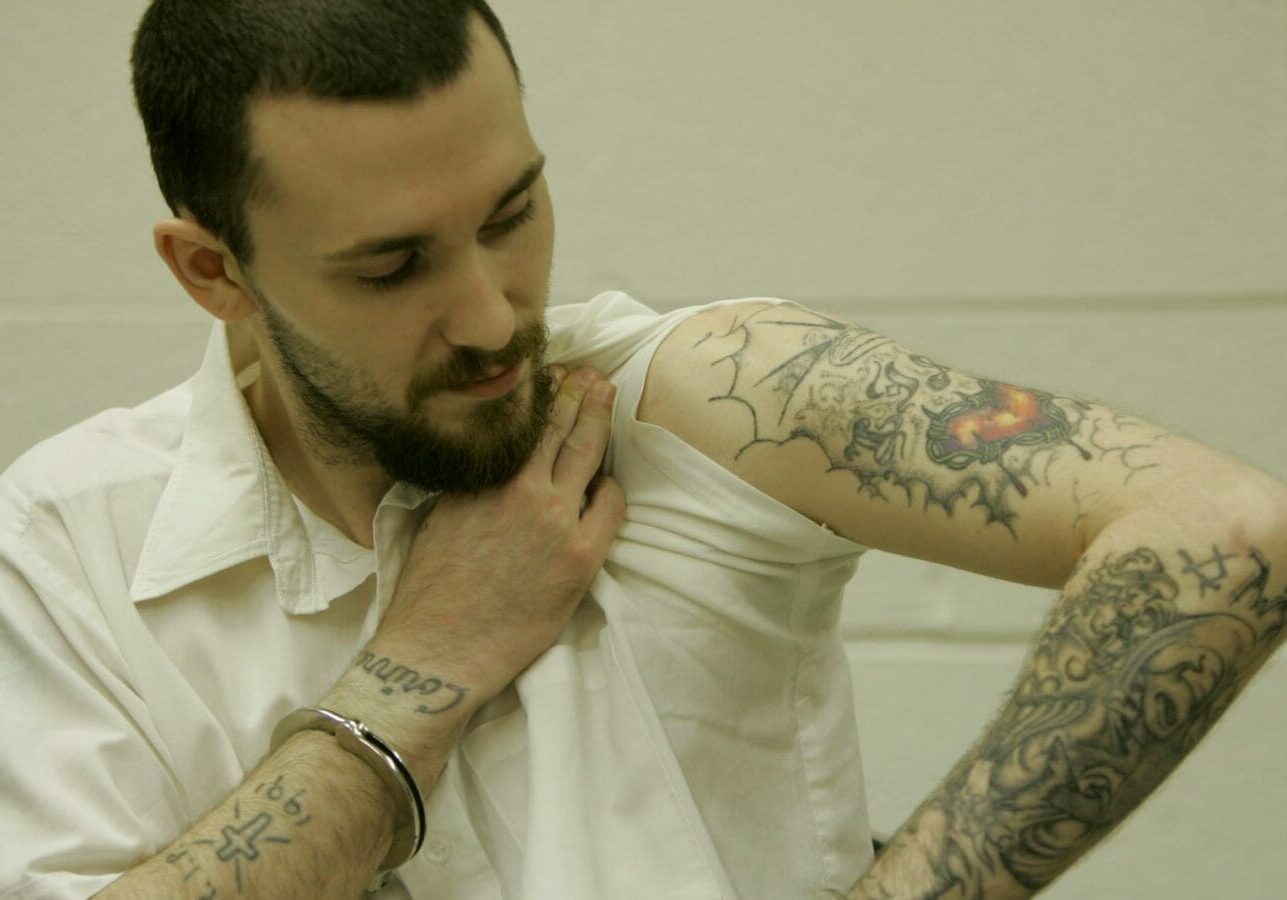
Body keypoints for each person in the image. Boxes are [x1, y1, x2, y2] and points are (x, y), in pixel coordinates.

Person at [1, 1, 1283, 898]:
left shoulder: (707, 396)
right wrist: (422, 669)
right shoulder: (67, 545)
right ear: (213, 269)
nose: (496, 314)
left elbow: (1221, 533)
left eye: (513, 213)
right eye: (393, 266)